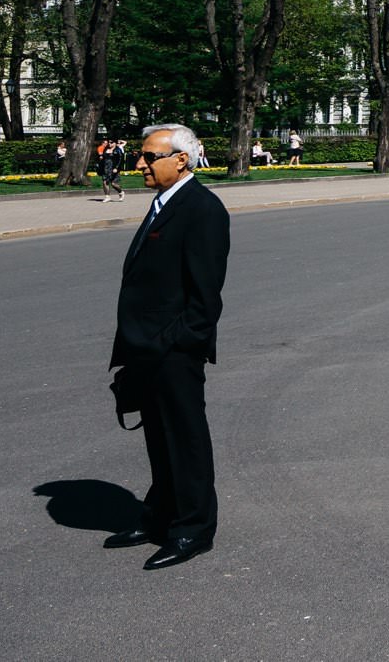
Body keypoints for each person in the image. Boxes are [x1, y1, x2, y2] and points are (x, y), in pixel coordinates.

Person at [106, 123, 230, 571]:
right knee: (158, 438)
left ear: (180, 160)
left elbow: (205, 297)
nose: (139, 164)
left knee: (185, 439)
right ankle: (160, 515)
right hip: (147, 348)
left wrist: (176, 345)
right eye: (140, 156)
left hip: (173, 351)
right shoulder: (164, 203)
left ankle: (193, 528)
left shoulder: (202, 209)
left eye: (148, 156)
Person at [98, 138, 127, 202]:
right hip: (106, 168)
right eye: (109, 142)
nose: (109, 144)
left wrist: (116, 168)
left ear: (115, 143)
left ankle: (121, 192)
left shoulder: (118, 150)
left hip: (114, 168)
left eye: (111, 142)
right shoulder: (106, 149)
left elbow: (120, 160)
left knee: (113, 184)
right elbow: (103, 157)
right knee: (105, 182)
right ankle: (107, 196)